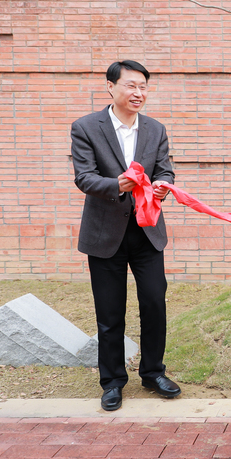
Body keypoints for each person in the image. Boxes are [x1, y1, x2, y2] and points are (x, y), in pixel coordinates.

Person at [71, 60, 181, 411]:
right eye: (131, 85)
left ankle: (153, 373)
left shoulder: (155, 129)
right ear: (111, 87)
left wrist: (163, 185)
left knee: (154, 304)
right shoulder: (86, 127)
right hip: (105, 234)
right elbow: (84, 177)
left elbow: (165, 169)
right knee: (110, 313)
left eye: (143, 87)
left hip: (147, 232)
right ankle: (113, 382)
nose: (138, 93)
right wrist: (117, 184)